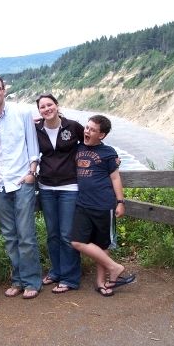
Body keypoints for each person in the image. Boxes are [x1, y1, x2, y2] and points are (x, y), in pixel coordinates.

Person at [0, 75, 42, 299]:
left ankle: (32, 281)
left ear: (4, 90)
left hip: (21, 181)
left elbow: (32, 146)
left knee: (26, 235)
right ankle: (18, 280)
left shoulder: (22, 113)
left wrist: (31, 173)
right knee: (9, 236)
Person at [71, 115, 136, 297]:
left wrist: (121, 202)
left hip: (104, 205)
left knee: (102, 244)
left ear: (102, 135)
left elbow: (115, 178)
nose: (87, 131)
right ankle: (114, 267)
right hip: (83, 203)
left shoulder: (109, 153)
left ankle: (102, 282)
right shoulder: (78, 148)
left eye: (93, 130)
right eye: (87, 127)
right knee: (77, 241)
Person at [35, 93, 84, 294]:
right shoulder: (36, 129)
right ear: (38, 111)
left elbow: (90, 143)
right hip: (46, 187)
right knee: (52, 234)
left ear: (57, 105)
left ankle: (70, 277)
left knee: (66, 234)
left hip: (69, 187)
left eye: (50, 105)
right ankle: (56, 271)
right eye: (42, 107)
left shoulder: (73, 126)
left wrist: (110, 159)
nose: (47, 109)